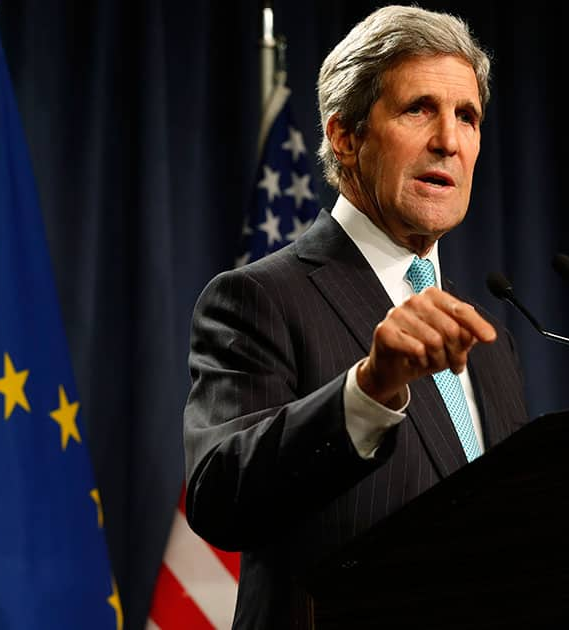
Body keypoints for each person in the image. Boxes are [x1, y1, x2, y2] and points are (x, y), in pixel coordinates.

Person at [182, 5, 529, 628]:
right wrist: (367, 391)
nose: (449, 140)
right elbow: (217, 498)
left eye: (467, 116)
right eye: (418, 108)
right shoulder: (259, 299)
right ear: (345, 136)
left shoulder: (488, 337)